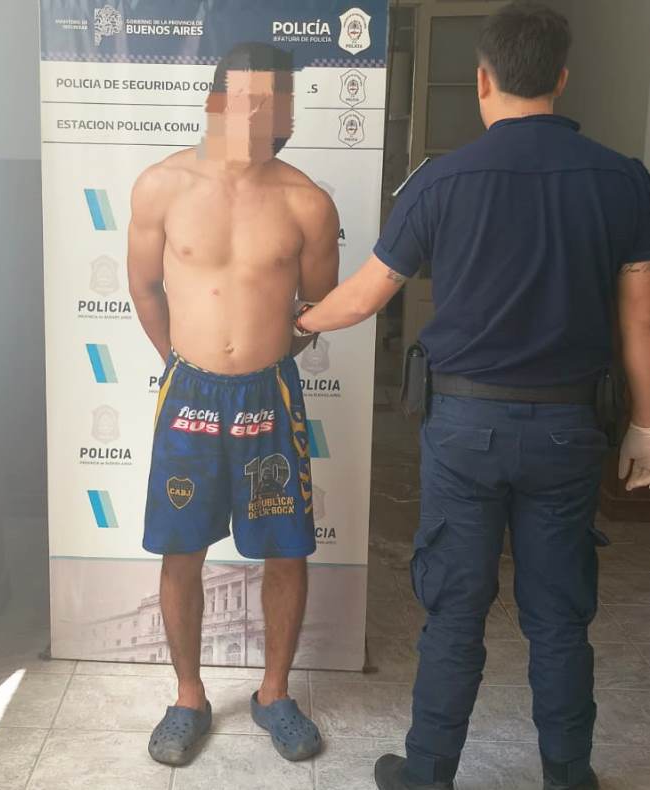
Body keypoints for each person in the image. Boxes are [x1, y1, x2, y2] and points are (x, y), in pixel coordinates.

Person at [294, 3, 650, 789]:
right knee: (559, 616)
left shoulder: (439, 180)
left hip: (463, 429)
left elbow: (363, 298)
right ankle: (568, 776)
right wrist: (645, 426)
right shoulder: (623, 180)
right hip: (568, 430)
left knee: (454, 609)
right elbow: (639, 317)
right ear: (560, 78)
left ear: (481, 81)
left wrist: (295, 322)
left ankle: (427, 774)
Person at [127, 41, 339, 766]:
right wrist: (182, 364)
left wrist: (260, 359)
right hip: (187, 390)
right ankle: (188, 696)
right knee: (181, 547)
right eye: (244, 99)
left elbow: (315, 309)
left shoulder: (307, 202)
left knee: (285, 549)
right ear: (215, 101)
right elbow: (144, 288)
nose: (256, 116)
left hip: (269, 393)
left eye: (271, 103)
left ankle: (273, 694)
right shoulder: (161, 186)